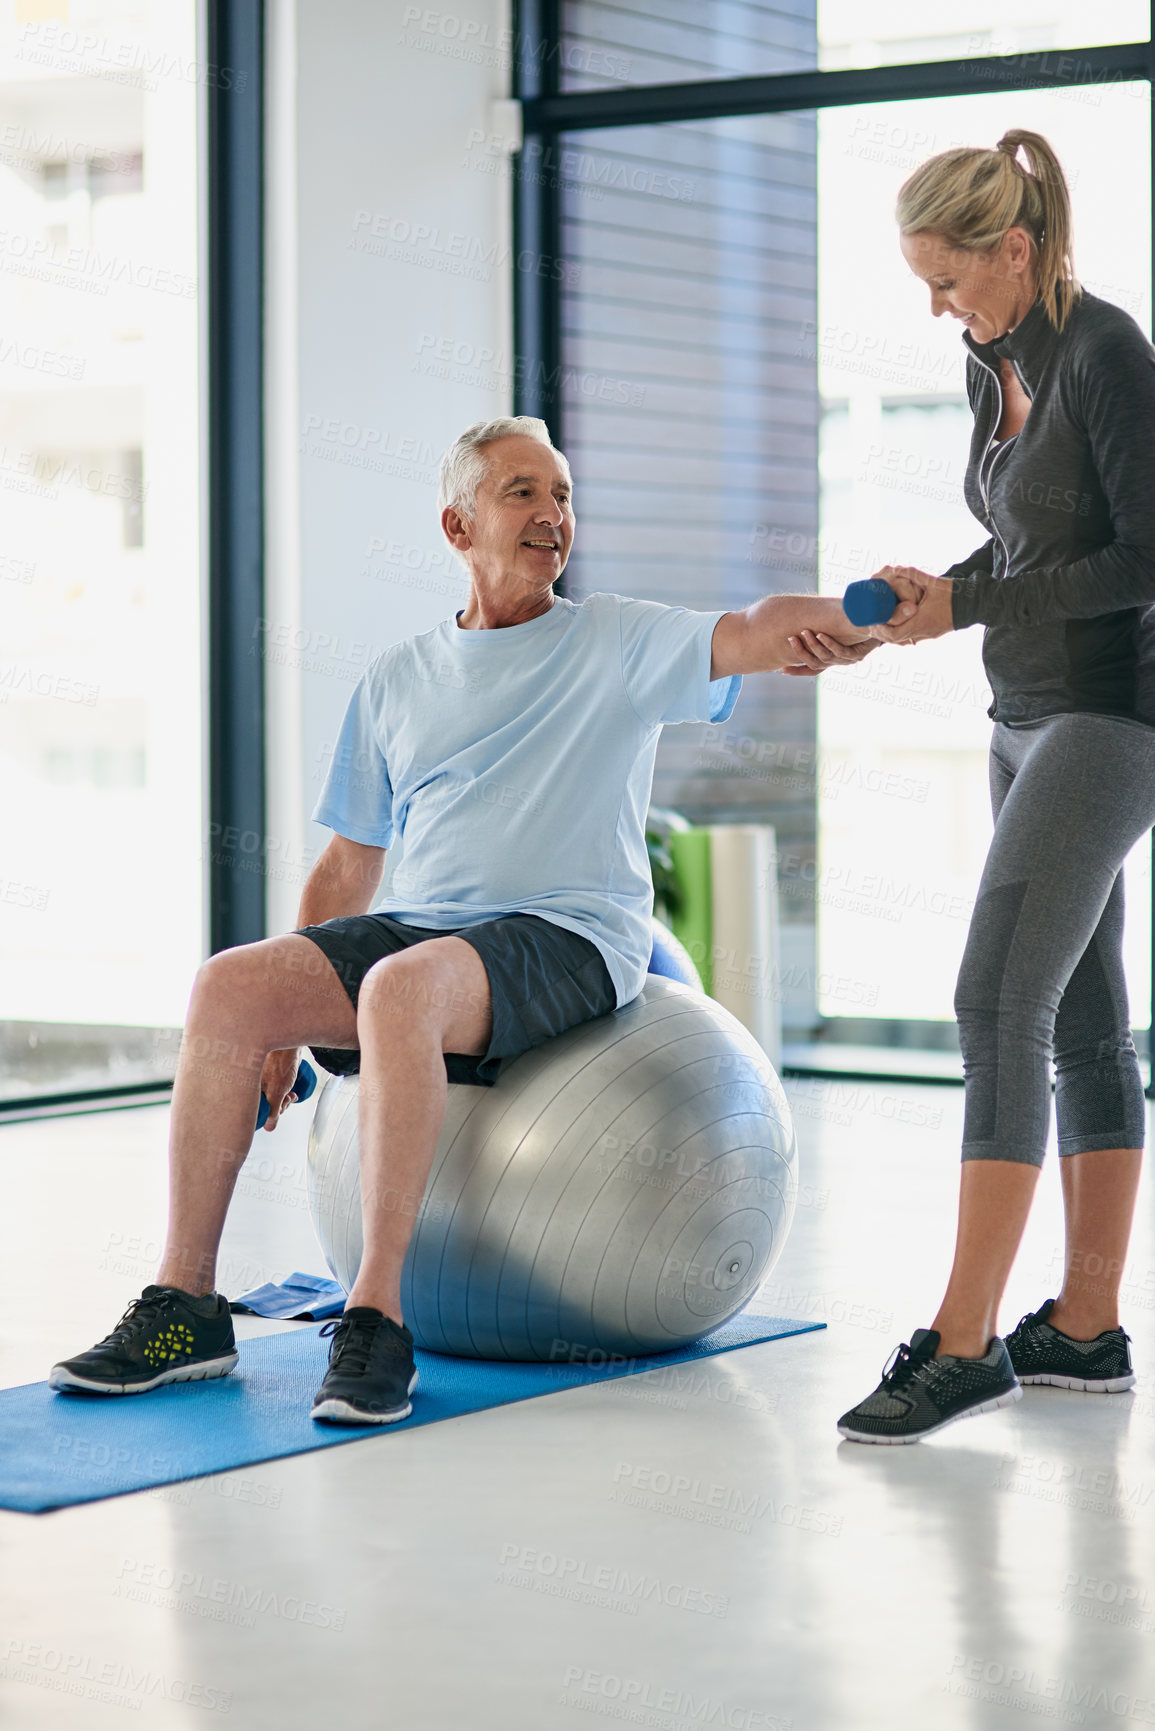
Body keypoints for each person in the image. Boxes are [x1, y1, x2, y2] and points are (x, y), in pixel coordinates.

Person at [50, 415, 883, 1425]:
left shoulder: (617, 640)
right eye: (523, 493)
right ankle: (185, 1305)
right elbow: (349, 863)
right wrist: (284, 1014)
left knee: (402, 989)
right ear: (458, 526)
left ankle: (377, 1319)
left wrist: (859, 613)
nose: (552, 513)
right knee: (228, 985)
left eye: (564, 494)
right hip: (429, 930)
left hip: (570, 933)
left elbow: (755, 626)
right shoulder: (398, 678)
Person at [835, 130, 1155, 1443]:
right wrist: (941, 594)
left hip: (1103, 714)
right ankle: (1082, 1327)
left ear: (1012, 249)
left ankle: (959, 1339)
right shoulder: (997, 359)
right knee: (1079, 1013)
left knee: (992, 996)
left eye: (947, 278)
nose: (935, 306)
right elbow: (1032, 532)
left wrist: (969, 598)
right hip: (1018, 713)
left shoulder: (1101, 353)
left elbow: (1139, 555)